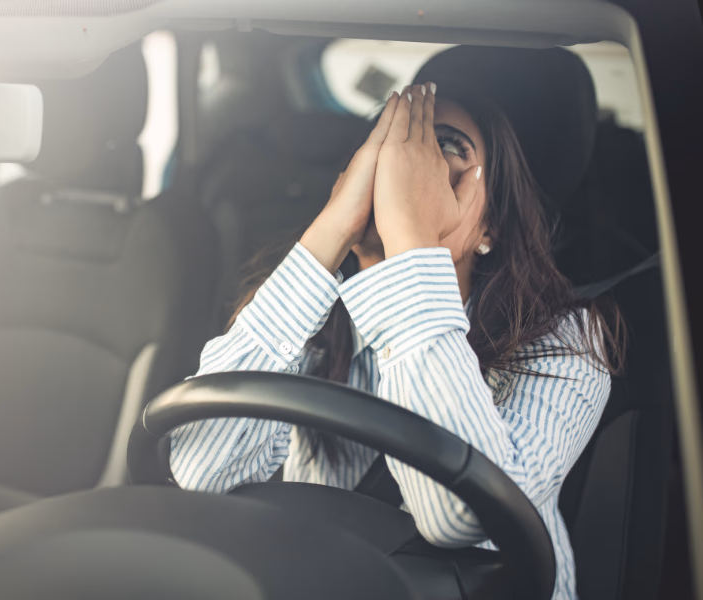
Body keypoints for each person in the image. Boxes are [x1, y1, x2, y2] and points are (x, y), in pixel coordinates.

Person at [169, 81, 624, 599]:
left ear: (490, 224)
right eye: (390, 143)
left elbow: (458, 517)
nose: (410, 165)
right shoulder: (306, 317)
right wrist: (331, 230)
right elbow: (201, 473)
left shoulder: (567, 340)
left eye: (446, 146)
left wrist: (410, 237)